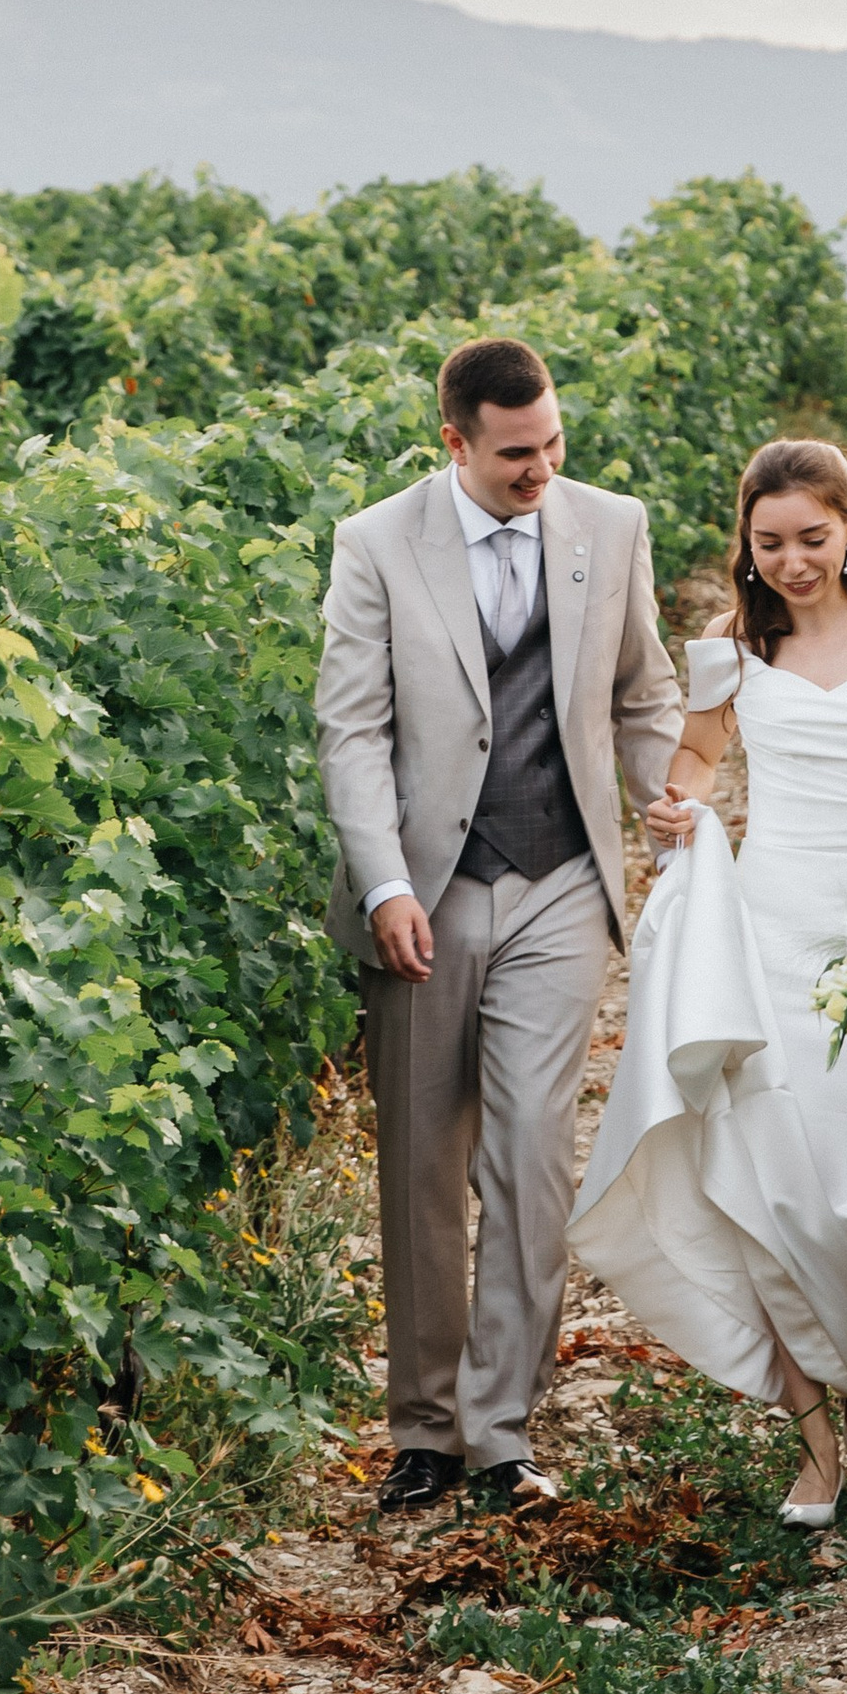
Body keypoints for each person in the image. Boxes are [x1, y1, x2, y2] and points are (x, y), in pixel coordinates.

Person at [568, 438, 847, 1524]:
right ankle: (814, 1442)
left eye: (812, 537)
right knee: (763, 1180)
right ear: (746, 546)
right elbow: (696, 764)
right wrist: (678, 805)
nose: (793, 561)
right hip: (766, 933)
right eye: (770, 544)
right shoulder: (733, 643)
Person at [315, 334, 682, 1513]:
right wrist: (383, 885)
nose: (543, 469)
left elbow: (643, 686)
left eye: (553, 442)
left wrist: (663, 786)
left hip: (561, 876)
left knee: (530, 1158)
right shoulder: (376, 543)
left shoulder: (611, 526)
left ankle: (502, 1430)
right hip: (425, 889)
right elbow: (353, 730)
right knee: (422, 1165)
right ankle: (423, 1429)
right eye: (517, 453)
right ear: (456, 442)